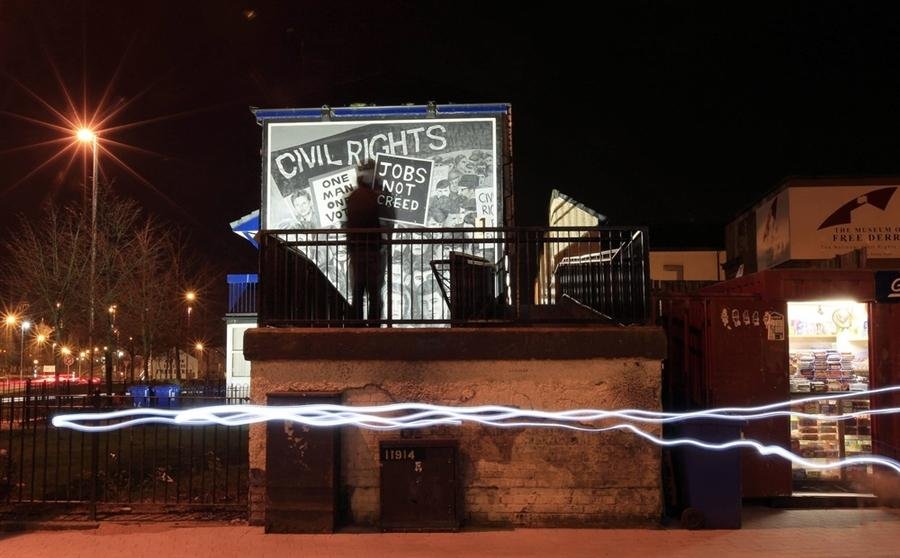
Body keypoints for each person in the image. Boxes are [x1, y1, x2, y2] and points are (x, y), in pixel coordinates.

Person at [346, 161, 386, 325]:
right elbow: (379, 223)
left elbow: (350, 224)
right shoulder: (374, 196)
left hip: (357, 250)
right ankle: (374, 325)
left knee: (358, 291)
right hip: (371, 250)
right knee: (374, 292)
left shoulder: (353, 197)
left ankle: (357, 325)